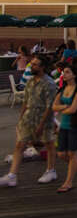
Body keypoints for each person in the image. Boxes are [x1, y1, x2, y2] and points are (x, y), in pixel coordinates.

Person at [0, 56, 58, 188]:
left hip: (43, 119)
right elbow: (26, 101)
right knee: (20, 145)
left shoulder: (49, 83)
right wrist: (20, 119)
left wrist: (41, 125)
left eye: (35, 65)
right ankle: (12, 176)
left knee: (49, 144)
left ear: (42, 67)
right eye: (31, 64)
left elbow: (50, 106)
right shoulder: (31, 81)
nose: (31, 66)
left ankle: (51, 170)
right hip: (28, 118)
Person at [51, 64, 77, 193]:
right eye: (64, 72)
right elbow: (54, 107)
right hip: (64, 125)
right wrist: (64, 107)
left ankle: (68, 182)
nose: (64, 74)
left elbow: (73, 109)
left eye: (67, 72)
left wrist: (62, 107)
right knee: (61, 154)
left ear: (74, 75)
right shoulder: (62, 90)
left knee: (72, 153)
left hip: (75, 125)